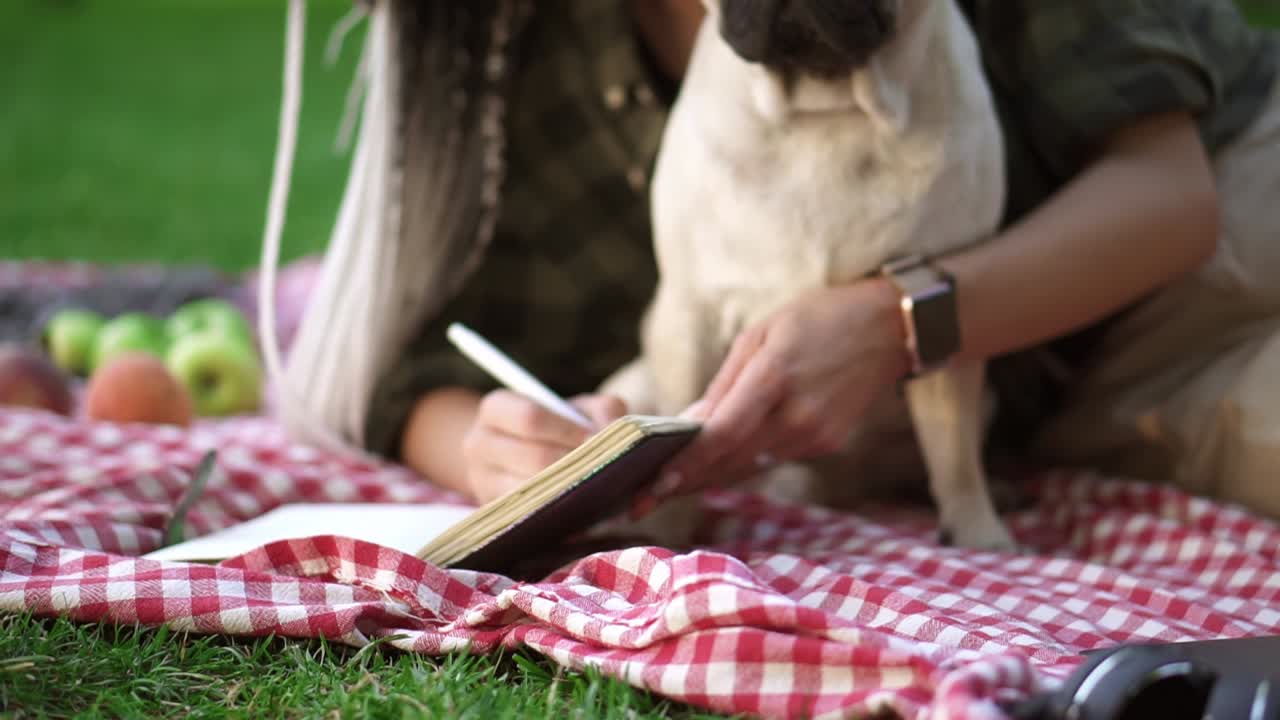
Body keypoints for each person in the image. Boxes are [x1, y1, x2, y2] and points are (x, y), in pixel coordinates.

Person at [276, 0, 1280, 522]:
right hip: (1039, 422)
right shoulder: (510, 46)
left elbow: (1169, 199)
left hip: (1205, 275)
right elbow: (405, 357)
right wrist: (494, 458)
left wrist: (894, 324)